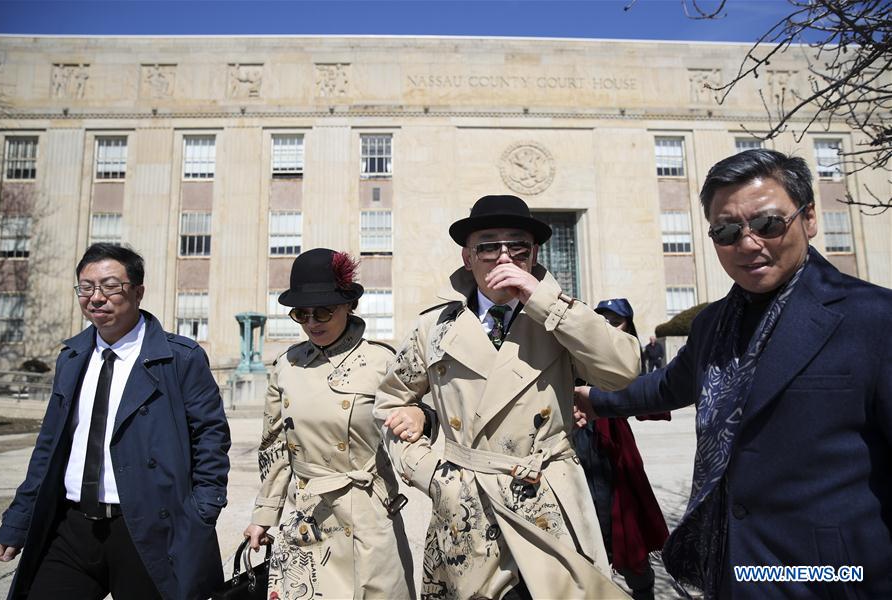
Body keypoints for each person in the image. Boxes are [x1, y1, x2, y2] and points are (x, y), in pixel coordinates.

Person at [576, 149, 892, 598]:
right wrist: (592, 398)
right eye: (727, 231)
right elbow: (668, 386)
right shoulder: (711, 324)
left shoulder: (874, 318)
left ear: (810, 219)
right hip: (733, 566)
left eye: (768, 225)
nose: (748, 244)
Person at [374, 195, 641, 599]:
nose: (504, 257)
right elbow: (390, 402)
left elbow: (622, 371)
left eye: (518, 247)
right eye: (488, 246)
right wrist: (429, 473)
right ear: (468, 258)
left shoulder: (565, 318)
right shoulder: (435, 328)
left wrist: (545, 301)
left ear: (533, 255)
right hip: (465, 504)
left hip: (548, 499)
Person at [0, 243, 230, 600]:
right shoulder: (72, 357)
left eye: (109, 286)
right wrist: (19, 518)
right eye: (86, 287)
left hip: (147, 528)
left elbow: (210, 436)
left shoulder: (179, 358)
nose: (96, 297)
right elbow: (49, 445)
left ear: (137, 292)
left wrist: (202, 512)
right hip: (71, 527)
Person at [243, 248, 424, 599]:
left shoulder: (381, 361)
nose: (312, 322)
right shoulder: (287, 365)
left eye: (323, 310)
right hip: (311, 520)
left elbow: (416, 428)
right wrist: (263, 515)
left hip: (371, 515)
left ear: (348, 307)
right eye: (302, 313)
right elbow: (276, 448)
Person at [573, 298, 670, 600]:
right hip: (572, 447)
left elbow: (650, 398)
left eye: (615, 321)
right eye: (601, 320)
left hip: (612, 451)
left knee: (626, 531)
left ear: (628, 325)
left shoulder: (628, 358)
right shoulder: (575, 350)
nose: (608, 326)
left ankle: (643, 591)